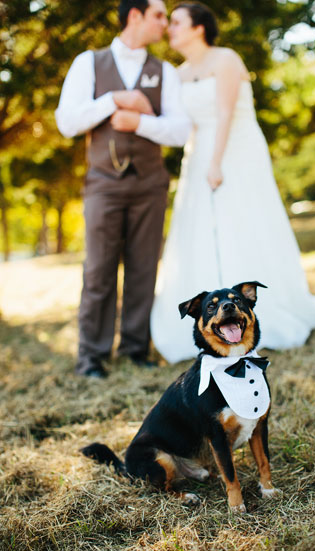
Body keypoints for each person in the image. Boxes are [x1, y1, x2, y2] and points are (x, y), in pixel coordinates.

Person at [150, 2, 315, 364]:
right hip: (197, 154)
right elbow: (177, 123)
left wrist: (216, 161)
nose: (169, 28)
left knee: (243, 224)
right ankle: (210, 319)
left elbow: (224, 112)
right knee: (199, 231)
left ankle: (256, 313)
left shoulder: (226, 59)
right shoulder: (179, 74)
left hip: (236, 151)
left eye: (176, 22)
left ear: (199, 27)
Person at [56, 0, 191, 378]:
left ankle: (135, 347)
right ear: (136, 16)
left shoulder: (165, 71)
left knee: (144, 268)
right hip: (103, 184)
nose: (166, 24)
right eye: (159, 15)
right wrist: (114, 99)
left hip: (150, 183)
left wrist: (138, 120)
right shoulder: (89, 62)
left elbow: (180, 131)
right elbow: (67, 121)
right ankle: (91, 357)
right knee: (98, 269)